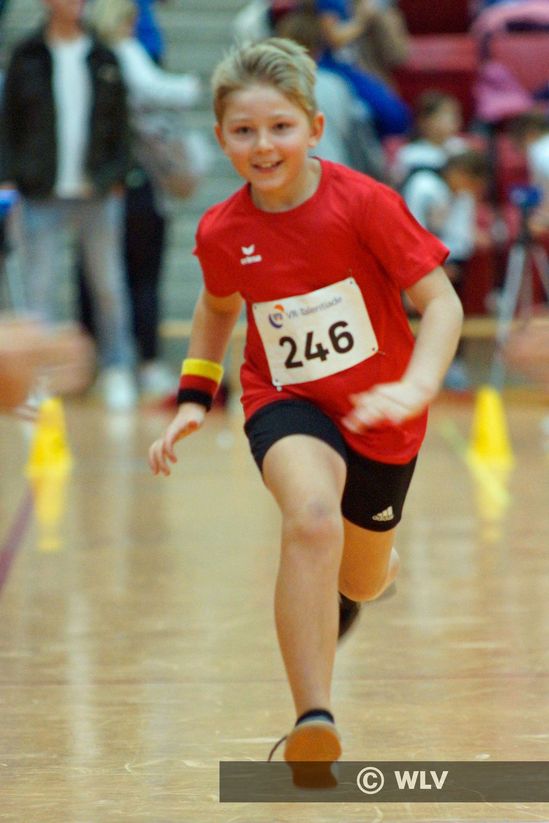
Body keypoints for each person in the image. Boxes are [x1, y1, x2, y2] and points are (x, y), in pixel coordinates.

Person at [148, 38, 463, 773]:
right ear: (221, 137)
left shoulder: (365, 204)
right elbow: (216, 307)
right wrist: (195, 395)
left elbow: (442, 304)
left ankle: (365, 575)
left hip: (383, 415)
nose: (263, 145)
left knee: (360, 580)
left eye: (280, 127)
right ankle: (313, 717)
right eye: (244, 130)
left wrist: (418, 384)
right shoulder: (223, 229)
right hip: (285, 401)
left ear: (314, 128)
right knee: (312, 519)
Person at [0, 0, 136, 411]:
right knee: (38, 289)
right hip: (40, 191)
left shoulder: (104, 56)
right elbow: (9, 123)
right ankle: (38, 376)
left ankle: (117, 367)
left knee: (108, 285)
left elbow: (121, 123)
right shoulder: (27, 55)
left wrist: (116, 175)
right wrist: (10, 175)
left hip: (97, 190)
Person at [83, 0, 204, 397]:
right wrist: (194, 85)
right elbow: (158, 89)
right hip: (130, 183)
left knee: (106, 278)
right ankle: (138, 363)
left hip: (111, 184)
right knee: (135, 276)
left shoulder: (92, 56)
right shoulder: (122, 52)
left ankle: (111, 363)